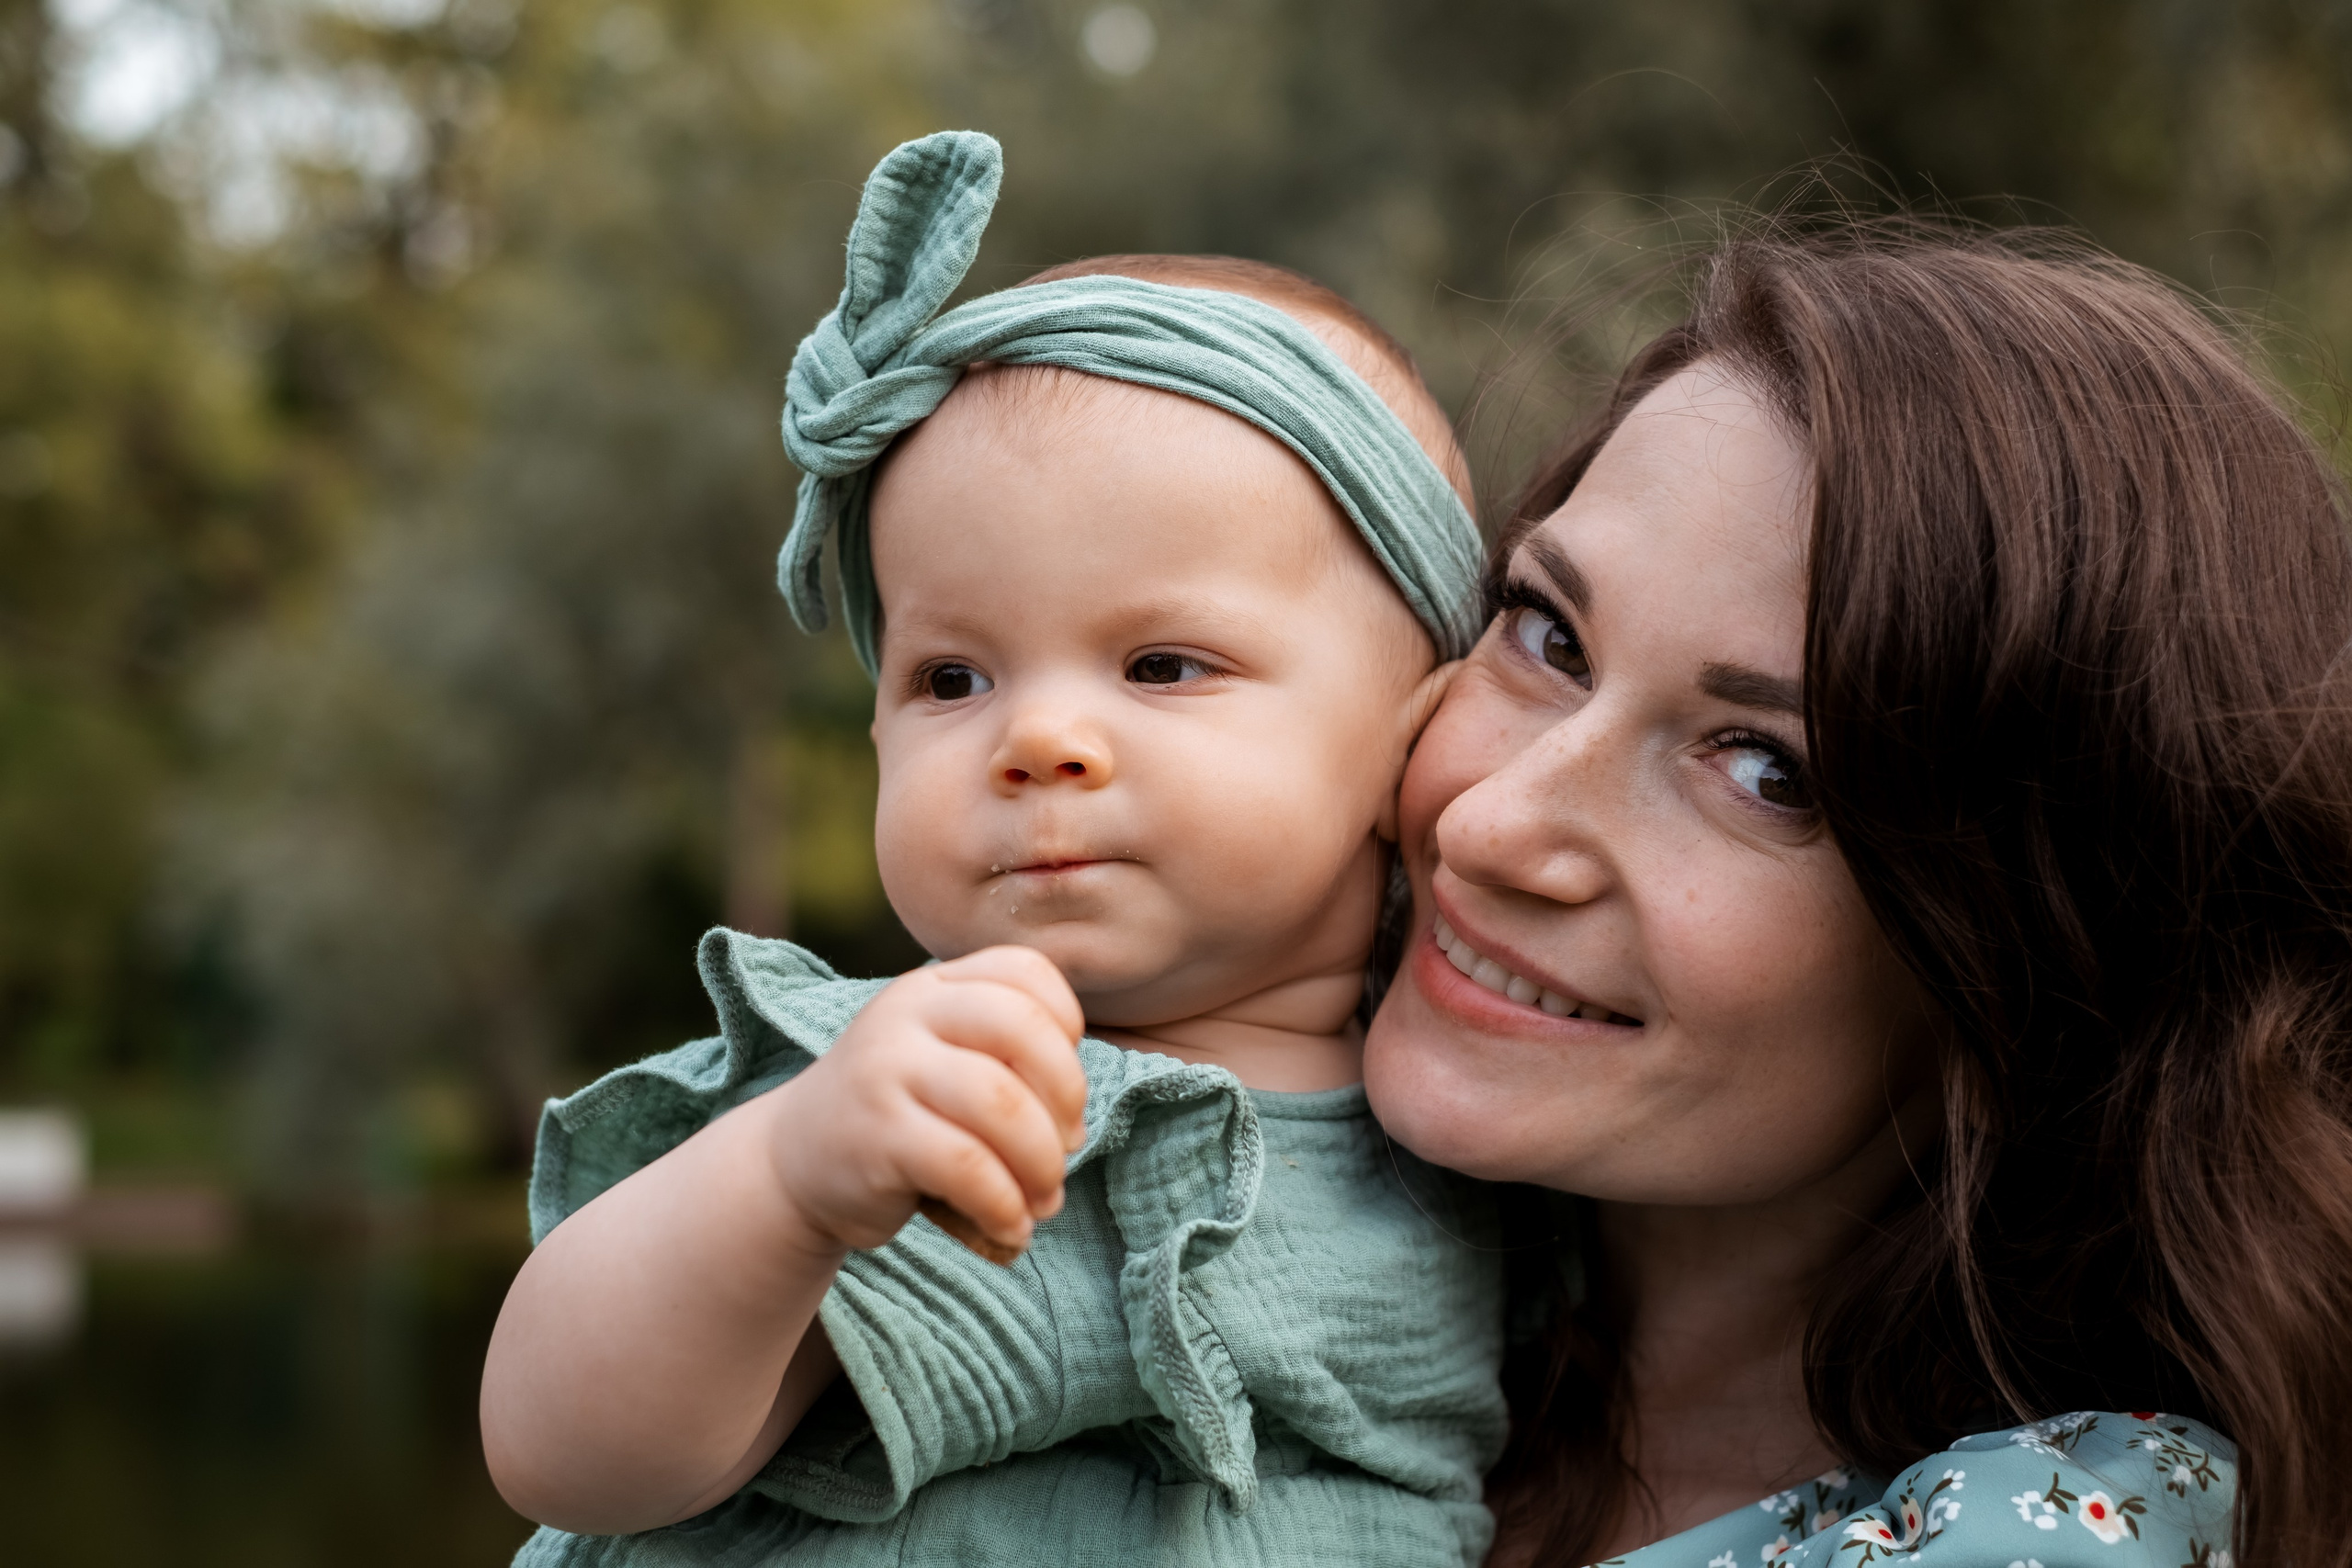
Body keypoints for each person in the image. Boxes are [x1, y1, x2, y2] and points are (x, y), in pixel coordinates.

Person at [478, 131, 1510, 1566]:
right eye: (951, 680)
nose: (1038, 741)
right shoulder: (916, 1091)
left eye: (1160, 665)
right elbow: (566, 1452)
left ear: (1418, 737)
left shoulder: (1489, 1132)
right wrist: (783, 1185)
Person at [1362, 224, 2352, 1567]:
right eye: (1550, 634)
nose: (1489, 823)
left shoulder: (2044, 1539)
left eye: (1767, 768)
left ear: (2028, 949)